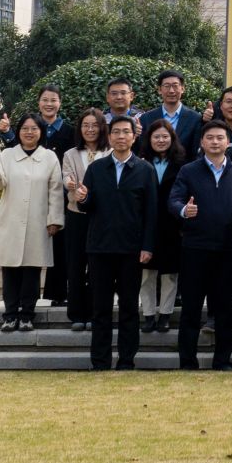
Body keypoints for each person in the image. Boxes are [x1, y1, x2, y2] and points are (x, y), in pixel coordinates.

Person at [76, 115, 158, 370]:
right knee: (100, 307)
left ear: (134, 137)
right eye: (116, 132)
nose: (121, 136)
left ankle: (126, 360)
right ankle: (100, 361)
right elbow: (87, 206)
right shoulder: (96, 169)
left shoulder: (145, 170)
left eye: (126, 132)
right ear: (109, 137)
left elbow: (151, 212)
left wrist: (147, 246)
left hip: (131, 249)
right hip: (100, 247)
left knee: (129, 307)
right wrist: (82, 198)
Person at [170, 120, 232, 370]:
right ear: (202, 142)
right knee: (191, 308)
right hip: (195, 248)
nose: (215, 142)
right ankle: (187, 361)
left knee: (225, 308)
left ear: (228, 142)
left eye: (220, 138)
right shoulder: (188, 171)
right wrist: (184, 210)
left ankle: (222, 360)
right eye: (210, 138)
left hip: (228, 249)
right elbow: (174, 200)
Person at [0, 113, 63, 332]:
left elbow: (56, 191)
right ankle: (10, 315)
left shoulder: (49, 157)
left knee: (32, 272)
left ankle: (27, 315)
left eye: (34, 129)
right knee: (10, 272)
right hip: (11, 221)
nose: (29, 132)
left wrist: (54, 219)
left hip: (38, 222)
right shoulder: (8, 155)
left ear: (41, 132)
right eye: (25, 128)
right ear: (18, 132)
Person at [58, 108, 107, 331]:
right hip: (76, 215)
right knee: (76, 265)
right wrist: (70, 184)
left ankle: (96, 313)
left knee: (99, 267)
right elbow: (66, 176)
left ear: (102, 128)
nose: (90, 129)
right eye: (86, 125)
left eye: (94, 125)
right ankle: (77, 314)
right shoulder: (70, 154)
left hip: (102, 217)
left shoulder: (110, 152)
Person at [138, 119, 186, 331]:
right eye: (156, 136)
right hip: (145, 224)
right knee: (147, 273)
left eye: (165, 136)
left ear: (172, 139)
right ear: (149, 139)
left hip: (172, 225)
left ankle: (165, 314)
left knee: (170, 273)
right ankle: (148, 314)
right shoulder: (140, 162)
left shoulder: (182, 164)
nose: (160, 140)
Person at [145, 69, 201, 152]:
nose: (171, 91)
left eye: (175, 86)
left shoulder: (195, 119)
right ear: (159, 90)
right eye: (167, 86)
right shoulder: (146, 118)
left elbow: (196, 151)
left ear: (182, 89)